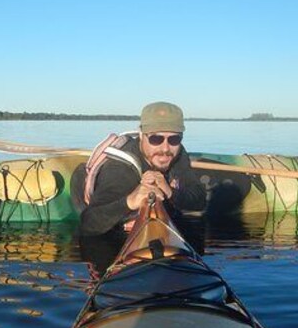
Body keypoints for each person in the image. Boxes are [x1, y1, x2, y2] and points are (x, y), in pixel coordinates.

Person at [79, 101, 206, 236]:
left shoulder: (176, 152)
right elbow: (88, 223)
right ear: (141, 134)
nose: (165, 148)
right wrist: (130, 201)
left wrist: (170, 193)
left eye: (174, 139)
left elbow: (199, 200)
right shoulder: (119, 169)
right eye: (156, 139)